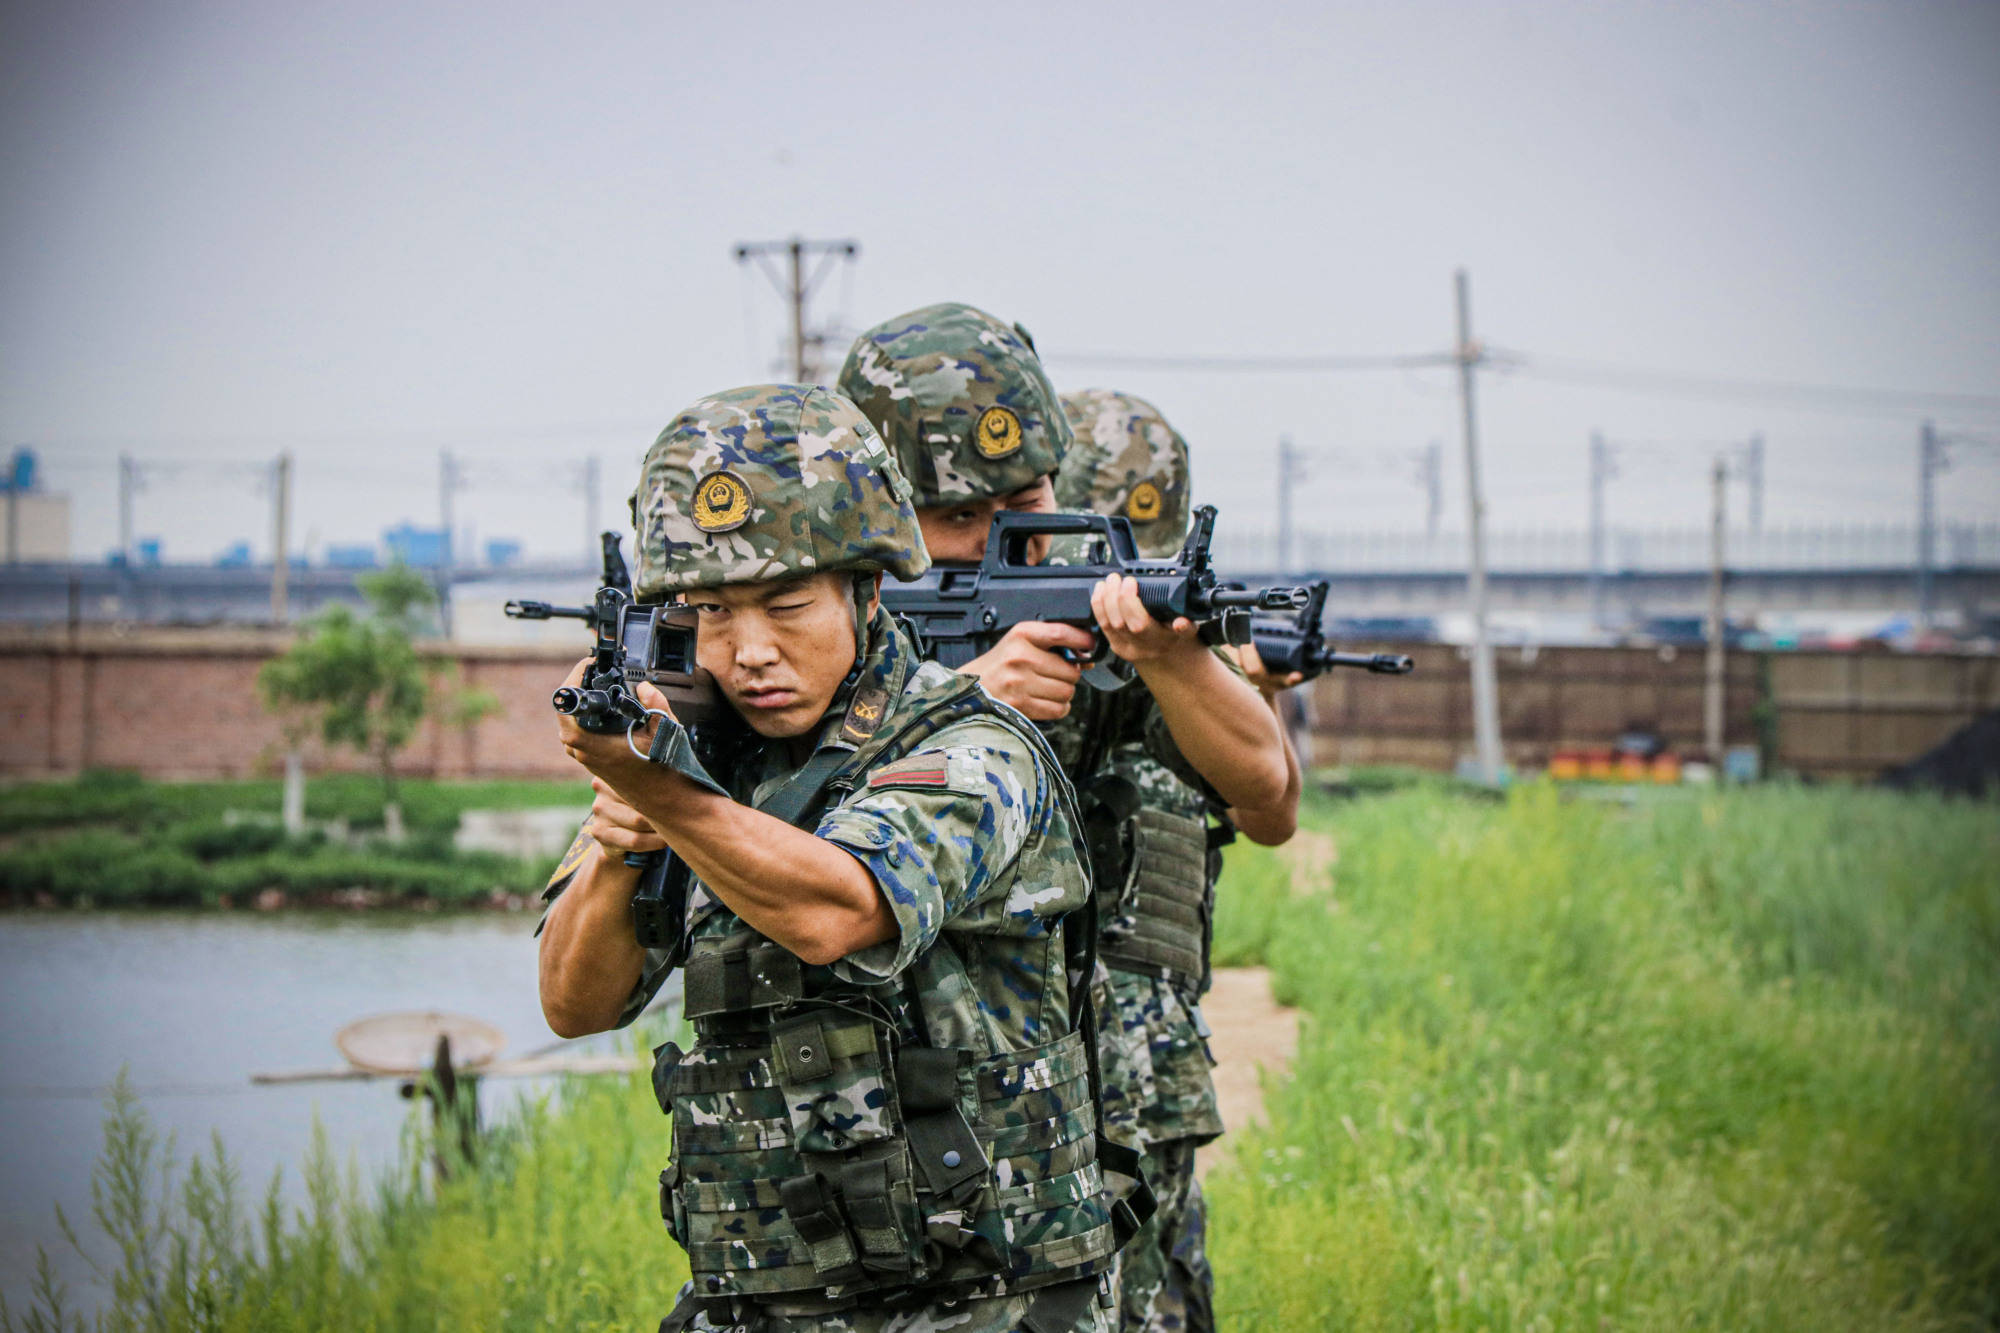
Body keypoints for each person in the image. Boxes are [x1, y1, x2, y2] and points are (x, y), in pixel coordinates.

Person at [537, 384, 1121, 1333]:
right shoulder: (691, 750)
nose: (750, 650)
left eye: (787, 604)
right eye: (712, 616)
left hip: (983, 1298)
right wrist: (620, 841)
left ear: (868, 587)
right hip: (768, 1297)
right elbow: (574, 1001)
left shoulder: (972, 744)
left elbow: (841, 910)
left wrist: (660, 793)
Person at [837, 310, 1298, 1333]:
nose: (1014, 532)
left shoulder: (1085, 611)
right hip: (893, 1128)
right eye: (965, 517)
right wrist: (959, 698)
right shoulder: (807, 642)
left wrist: (1169, 657)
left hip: (1100, 1104)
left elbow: (1267, 798)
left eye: (1030, 499)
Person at [1055, 388, 1307, 1332]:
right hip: (1012, 1074)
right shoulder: (987, 647)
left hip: (1141, 1059)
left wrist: (1211, 675)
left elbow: (1269, 803)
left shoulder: (1170, 660)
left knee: (1156, 1305)